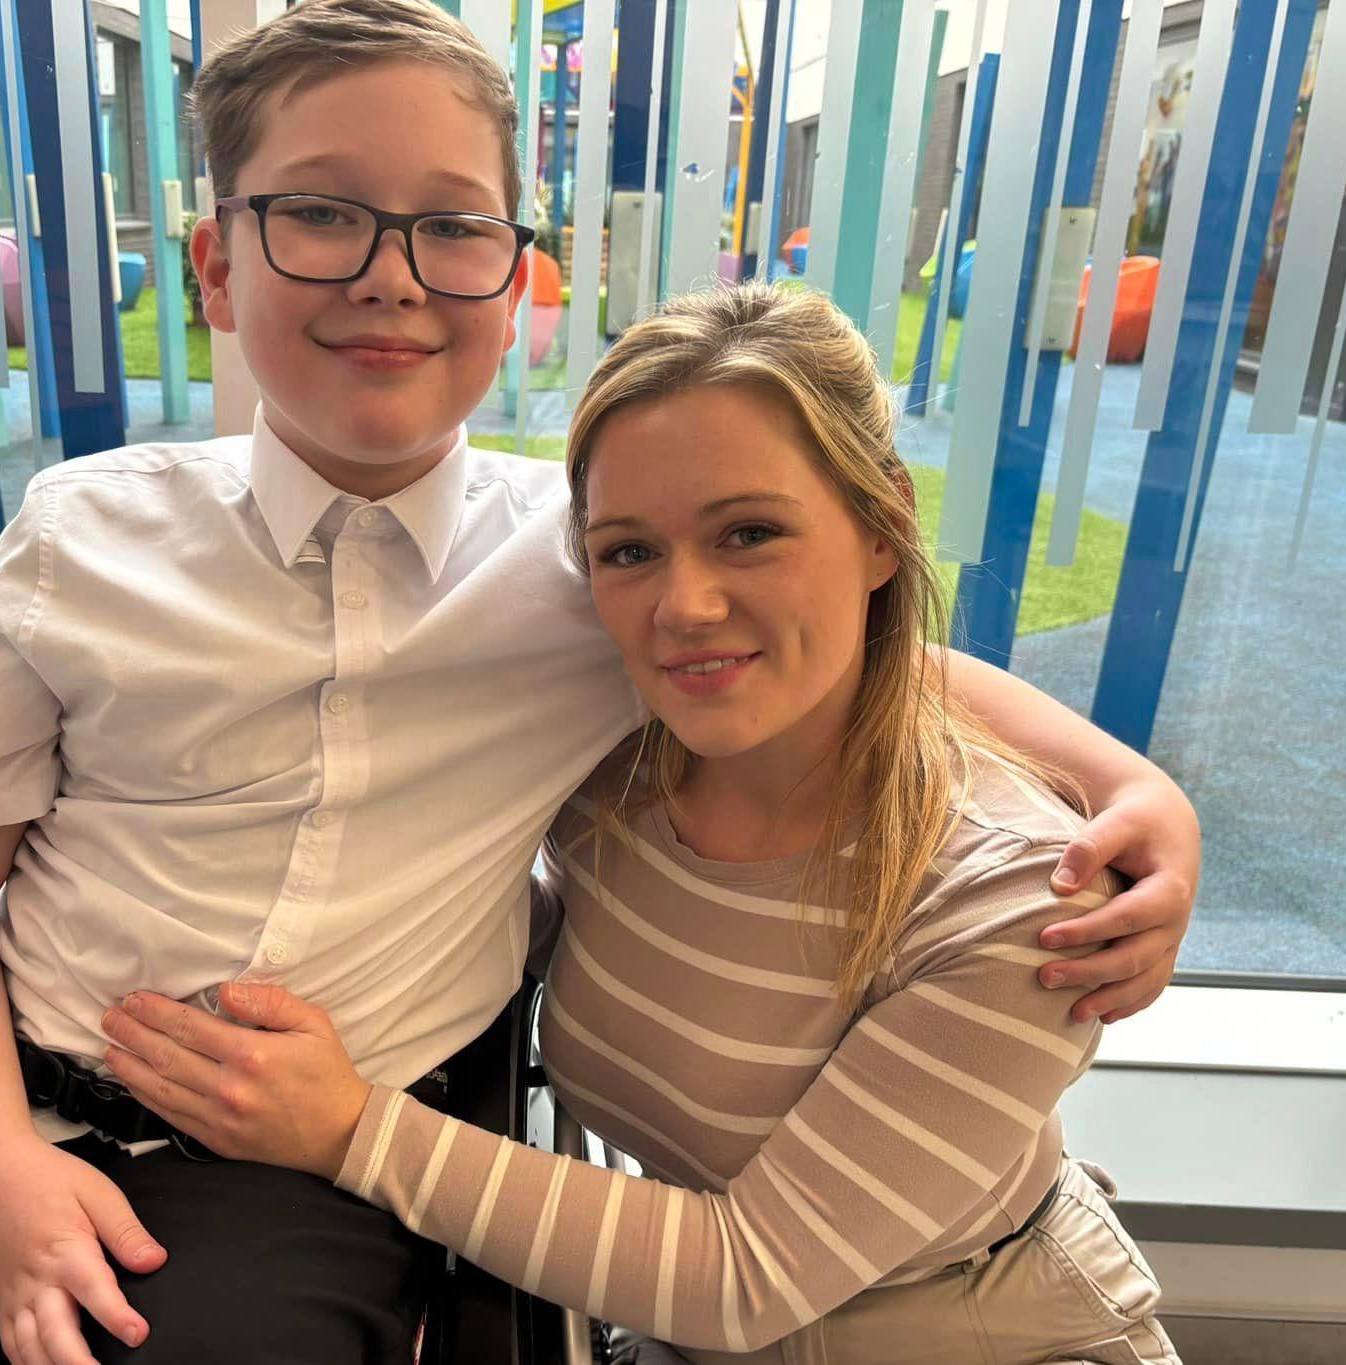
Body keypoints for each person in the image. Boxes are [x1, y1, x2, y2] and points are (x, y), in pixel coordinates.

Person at [0, 5, 1198, 1363]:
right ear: (216, 261)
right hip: (1, 1063)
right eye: (321, 213)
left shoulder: (583, 562)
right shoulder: (85, 537)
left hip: (316, 1147)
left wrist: (1135, 793)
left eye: (451, 227)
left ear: (515, 274)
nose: (390, 278)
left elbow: (844, 645)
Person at [100, 283, 1180, 1364]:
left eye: (748, 533)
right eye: (628, 551)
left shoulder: (1020, 907)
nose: (684, 609)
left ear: (881, 526)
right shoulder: (619, 760)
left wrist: (344, 1127)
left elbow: (747, 1277)